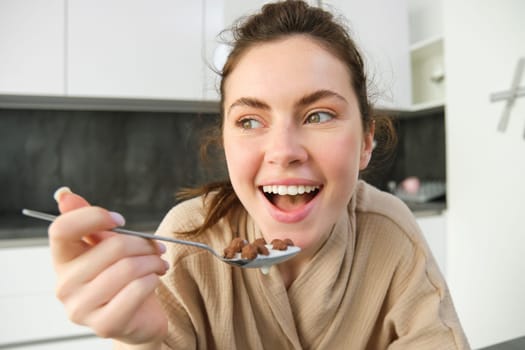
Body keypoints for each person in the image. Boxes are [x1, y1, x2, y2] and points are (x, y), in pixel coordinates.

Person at [48, 1, 470, 349]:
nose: (284, 152)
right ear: (226, 143)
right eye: (250, 121)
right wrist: (143, 342)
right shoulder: (191, 241)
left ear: (365, 142)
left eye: (319, 115)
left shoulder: (389, 231)